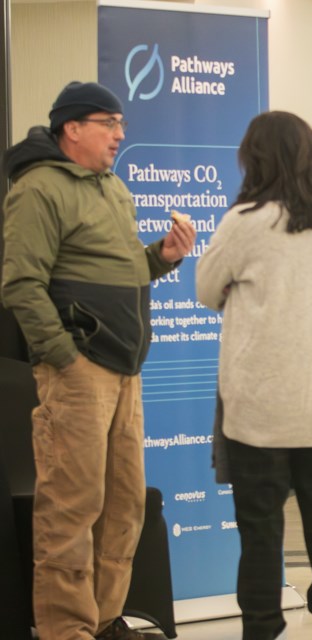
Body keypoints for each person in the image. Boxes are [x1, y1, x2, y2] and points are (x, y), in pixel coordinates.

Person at [1, 81, 196, 639]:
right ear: (72, 128)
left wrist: (161, 257)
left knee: (123, 507)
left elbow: (122, 272)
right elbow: (20, 283)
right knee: (71, 507)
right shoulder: (39, 188)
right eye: (108, 123)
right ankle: (66, 630)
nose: (119, 135)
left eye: (122, 125)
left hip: (125, 371)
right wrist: (62, 356)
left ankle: (105, 619)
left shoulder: (111, 188)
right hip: (78, 371)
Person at [196, 111, 312, 640]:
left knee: (261, 532)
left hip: (260, 403)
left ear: (255, 158)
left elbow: (205, 287)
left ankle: (262, 629)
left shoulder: (244, 221)